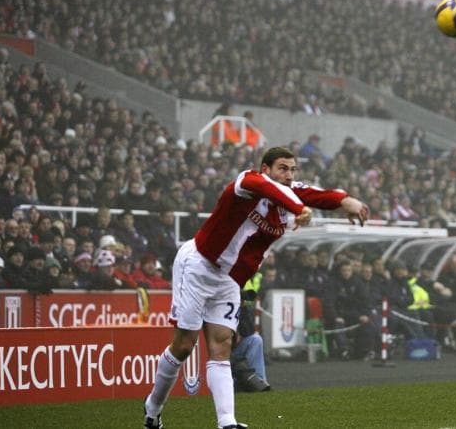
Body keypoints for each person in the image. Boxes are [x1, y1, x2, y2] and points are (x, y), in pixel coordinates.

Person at [143, 146, 368, 429]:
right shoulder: (247, 183)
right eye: (282, 169)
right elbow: (269, 188)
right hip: (198, 264)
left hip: (228, 280)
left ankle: (227, 423)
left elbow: (315, 194)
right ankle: (153, 407)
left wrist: (347, 201)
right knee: (185, 346)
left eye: (292, 169)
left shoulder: (290, 193)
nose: (288, 175)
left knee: (222, 344)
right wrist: (299, 208)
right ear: (266, 169)